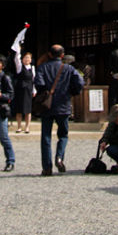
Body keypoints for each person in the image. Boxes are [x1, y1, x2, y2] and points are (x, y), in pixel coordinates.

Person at [35, 43, 84, 176]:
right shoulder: (68, 68)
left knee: (45, 136)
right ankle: (59, 157)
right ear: (62, 55)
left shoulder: (42, 68)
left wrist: (45, 92)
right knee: (63, 134)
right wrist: (71, 92)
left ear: (49, 54)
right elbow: (80, 82)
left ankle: (47, 167)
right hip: (63, 105)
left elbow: (38, 83)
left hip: (47, 106)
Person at [12, 49, 35, 133]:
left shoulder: (32, 68)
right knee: (19, 109)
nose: (27, 59)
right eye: (25, 58)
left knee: (28, 109)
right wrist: (18, 50)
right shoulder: (20, 67)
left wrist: (34, 90)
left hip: (29, 89)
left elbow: (34, 80)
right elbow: (16, 59)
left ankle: (27, 126)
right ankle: (19, 126)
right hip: (20, 89)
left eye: (28, 58)